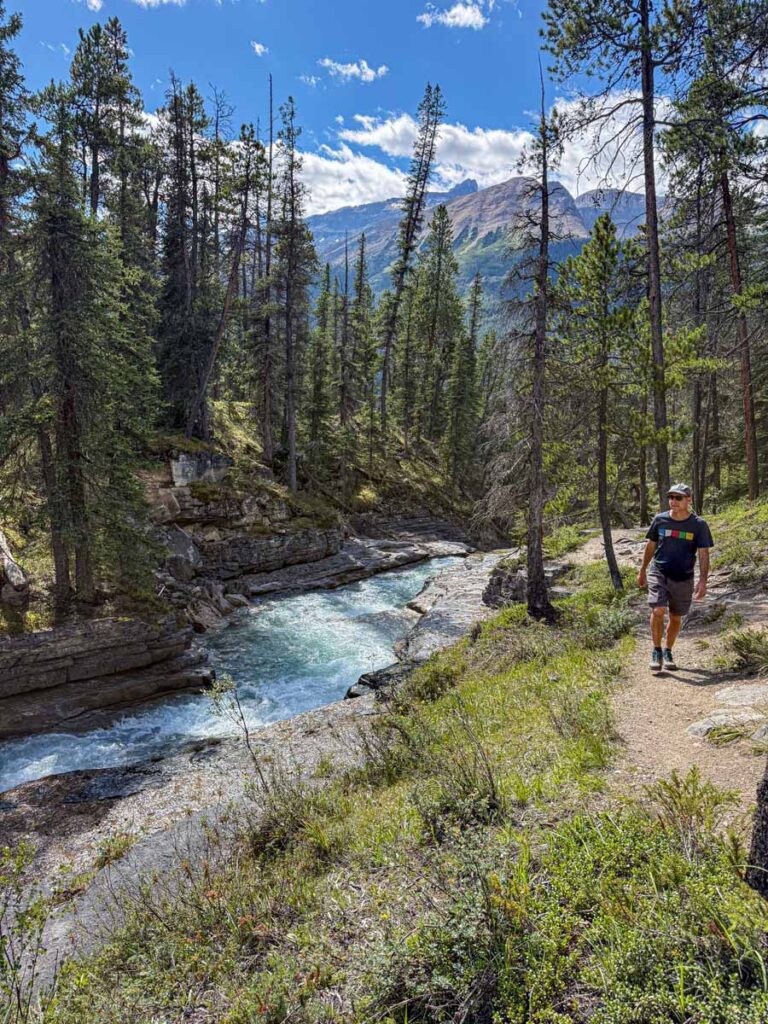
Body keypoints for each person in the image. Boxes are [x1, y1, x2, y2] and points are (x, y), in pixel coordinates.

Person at [637, 484, 714, 671]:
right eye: (671, 497)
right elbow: (651, 545)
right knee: (658, 610)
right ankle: (656, 650)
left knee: (676, 616)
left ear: (689, 500)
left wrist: (703, 581)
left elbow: (703, 554)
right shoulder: (660, 520)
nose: (673, 501)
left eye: (678, 498)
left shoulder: (699, 525)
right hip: (659, 571)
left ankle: (668, 651)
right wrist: (643, 570)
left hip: (684, 576)